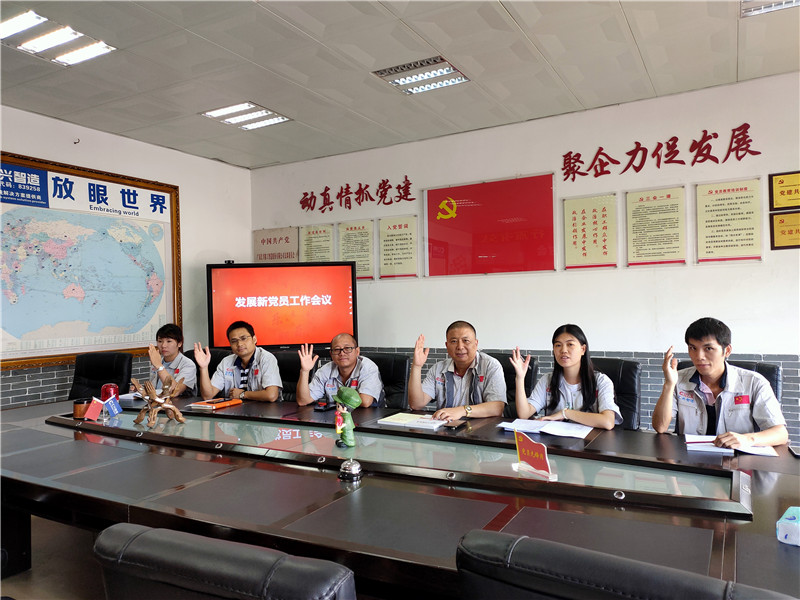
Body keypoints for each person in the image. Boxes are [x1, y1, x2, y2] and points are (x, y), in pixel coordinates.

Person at [652, 317, 788, 448]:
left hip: (737, 459)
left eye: (708, 348)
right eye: (693, 348)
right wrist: (669, 384)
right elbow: (660, 427)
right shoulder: (678, 379)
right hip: (690, 459)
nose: (699, 356)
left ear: (727, 350)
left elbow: (780, 434)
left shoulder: (754, 382)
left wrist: (748, 439)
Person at [511, 324, 621, 430]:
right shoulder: (547, 380)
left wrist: (565, 413)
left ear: (583, 349)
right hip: (555, 441)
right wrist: (520, 378)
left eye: (570, 344)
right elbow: (524, 414)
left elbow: (608, 422)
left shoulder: (601, 381)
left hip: (591, 441)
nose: (563, 350)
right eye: (558, 345)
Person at [408, 320, 506, 421]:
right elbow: (416, 404)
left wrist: (462, 411)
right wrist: (416, 366)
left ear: (476, 344)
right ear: (447, 346)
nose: (460, 347)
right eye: (454, 341)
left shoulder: (490, 366)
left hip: (481, 428)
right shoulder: (438, 368)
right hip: (446, 427)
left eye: (466, 341)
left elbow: (497, 408)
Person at [193, 321, 282, 402]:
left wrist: (242, 394)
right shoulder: (226, 362)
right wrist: (203, 368)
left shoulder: (266, 358)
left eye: (243, 338)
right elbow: (207, 396)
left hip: (264, 411)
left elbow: (271, 395)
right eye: (234, 341)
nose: (239, 344)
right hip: (235, 411)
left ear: (254, 339)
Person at [296, 333, 384, 408]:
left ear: (357, 351)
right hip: (337, 418)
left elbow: (365, 401)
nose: (342, 353)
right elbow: (303, 401)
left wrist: (337, 400)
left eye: (347, 348)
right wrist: (304, 371)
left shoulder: (368, 367)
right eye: (337, 349)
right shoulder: (325, 370)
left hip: (369, 418)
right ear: (331, 354)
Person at [147, 323, 197, 396]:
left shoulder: (188, 365)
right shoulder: (158, 362)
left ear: (179, 343)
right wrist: (141, 390)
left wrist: (159, 366)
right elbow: (154, 389)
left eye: (169, 341)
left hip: (178, 402)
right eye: (160, 341)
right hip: (158, 401)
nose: (163, 345)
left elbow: (174, 392)